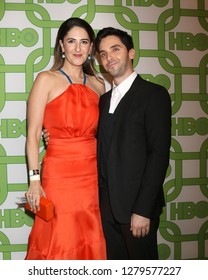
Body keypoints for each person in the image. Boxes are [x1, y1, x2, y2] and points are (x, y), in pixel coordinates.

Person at [25, 17, 106, 260]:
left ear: (91, 47)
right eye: (72, 41)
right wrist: (34, 180)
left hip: (92, 175)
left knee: (89, 234)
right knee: (60, 237)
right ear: (61, 45)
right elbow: (32, 136)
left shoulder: (99, 84)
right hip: (58, 175)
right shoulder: (46, 79)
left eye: (84, 42)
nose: (78, 49)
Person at [94, 27, 172, 260]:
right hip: (106, 207)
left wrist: (142, 210)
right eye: (103, 53)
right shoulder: (103, 100)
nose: (109, 58)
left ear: (131, 53)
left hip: (137, 210)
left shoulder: (154, 95)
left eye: (115, 49)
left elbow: (158, 155)